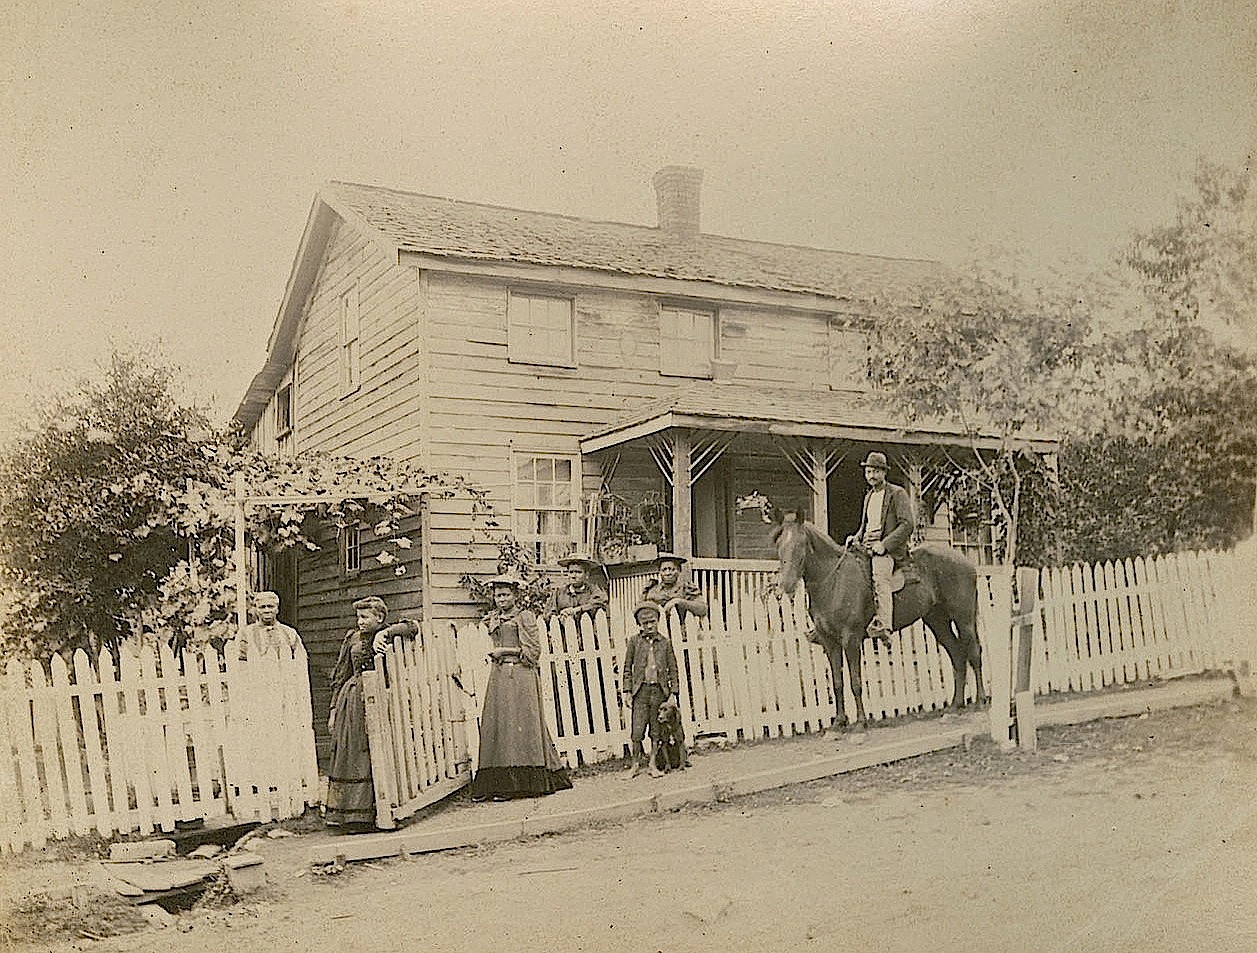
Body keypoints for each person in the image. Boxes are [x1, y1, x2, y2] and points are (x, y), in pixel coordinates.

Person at [468, 575, 573, 800]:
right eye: (498, 595)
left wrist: (505, 651)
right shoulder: (493, 618)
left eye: (506, 595)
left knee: (520, 724)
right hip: (499, 677)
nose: (501, 599)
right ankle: (497, 783)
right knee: (498, 725)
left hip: (521, 675)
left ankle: (519, 785)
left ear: (515, 595)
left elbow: (533, 652)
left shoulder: (525, 617)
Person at [324, 596, 417, 831]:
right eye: (358, 617)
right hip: (353, 701)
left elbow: (413, 626)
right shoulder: (352, 638)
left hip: (382, 698)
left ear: (380, 617)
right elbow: (341, 674)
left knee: (379, 751)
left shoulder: (390, 634)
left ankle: (377, 810)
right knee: (353, 752)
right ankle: (351, 815)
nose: (360, 622)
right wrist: (334, 710)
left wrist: (384, 634)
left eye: (365, 617)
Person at [845, 451, 915, 646]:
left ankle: (884, 625)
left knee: (879, 577)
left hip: (888, 550)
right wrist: (856, 537)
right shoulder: (869, 496)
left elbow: (907, 525)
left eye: (876, 471)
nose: (872, 476)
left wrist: (884, 545)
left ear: (884, 472)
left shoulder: (897, 494)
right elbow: (866, 526)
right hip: (866, 546)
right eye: (868, 471)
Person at [620, 600, 680, 779]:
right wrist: (627, 691)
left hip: (659, 693)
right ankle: (635, 764)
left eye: (652, 621)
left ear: (658, 621)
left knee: (656, 730)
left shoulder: (665, 643)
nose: (649, 626)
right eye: (645, 623)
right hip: (641, 692)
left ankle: (652, 764)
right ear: (639, 624)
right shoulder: (634, 642)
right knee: (637, 730)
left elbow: (673, 669)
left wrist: (673, 693)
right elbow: (627, 668)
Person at [640, 552, 708, 624]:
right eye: (664, 570)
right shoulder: (652, 590)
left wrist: (679, 601)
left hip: (682, 627)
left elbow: (703, 609)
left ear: (679, 570)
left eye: (672, 569)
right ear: (659, 572)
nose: (668, 573)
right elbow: (640, 610)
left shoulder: (686, 588)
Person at [543, 554, 609, 619]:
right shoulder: (559, 593)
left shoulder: (594, 590)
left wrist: (577, 610)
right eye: (571, 572)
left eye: (578, 572)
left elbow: (599, 604)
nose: (573, 576)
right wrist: (559, 617)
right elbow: (548, 614)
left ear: (587, 574)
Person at [246, 591, 302, 658]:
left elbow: (300, 660)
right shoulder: (246, 633)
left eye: (270, 606)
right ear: (256, 610)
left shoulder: (289, 633)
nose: (266, 610)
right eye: (262, 607)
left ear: (277, 609)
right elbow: (239, 661)